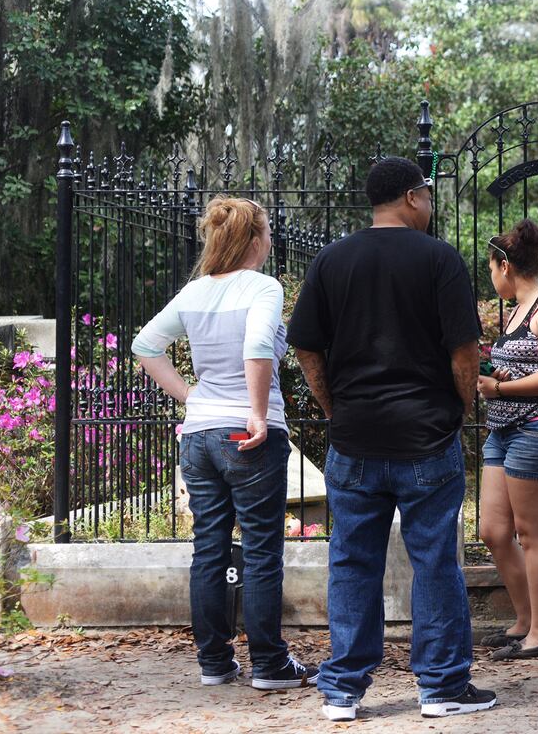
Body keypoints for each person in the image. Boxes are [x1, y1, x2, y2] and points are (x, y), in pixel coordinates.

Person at [287, 156, 496, 721]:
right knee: (435, 563)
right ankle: (442, 687)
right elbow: (464, 351)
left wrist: (335, 406)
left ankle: (343, 690)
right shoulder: (439, 260)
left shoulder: (332, 259)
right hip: (427, 435)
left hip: (355, 438)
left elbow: (305, 344)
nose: (430, 205)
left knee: (351, 562)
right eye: (427, 195)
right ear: (411, 197)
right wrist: (459, 406)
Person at [132, 196, 318, 691]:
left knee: (209, 549)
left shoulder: (193, 293)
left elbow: (145, 345)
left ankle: (215, 663)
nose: (272, 240)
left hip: (199, 434)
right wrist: (256, 412)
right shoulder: (263, 287)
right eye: (269, 232)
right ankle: (270, 666)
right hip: (247, 434)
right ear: (255, 240)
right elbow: (258, 346)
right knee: (260, 550)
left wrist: (190, 397)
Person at [476, 220, 538, 661]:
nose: (491, 278)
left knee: (530, 533)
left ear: (505, 266)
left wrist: (498, 388)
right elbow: (528, 367)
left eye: (491, 270)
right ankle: (522, 621)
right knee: (494, 531)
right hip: (504, 429)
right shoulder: (517, 310)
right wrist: (503, 379)